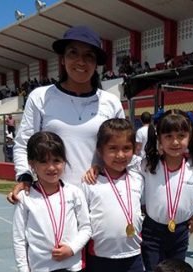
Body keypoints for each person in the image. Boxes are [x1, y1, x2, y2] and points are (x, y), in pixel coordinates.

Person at [9, 25, 125, 199]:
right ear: (62, 59)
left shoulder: (111, 102)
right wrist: (24, 176)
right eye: (73, 53)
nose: (81, 61)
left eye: (88, 56)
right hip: (54, 199)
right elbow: (24, 142)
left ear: (96, 64)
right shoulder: (40, 96)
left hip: (100, 197)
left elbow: (122, 149)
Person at [13, 131, 91, 272]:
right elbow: (19, 239)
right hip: (41, 270)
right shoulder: (26, 198)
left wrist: (71, 248)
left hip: (71, 267)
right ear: (32, 164)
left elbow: (86, 228)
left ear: (64, 161)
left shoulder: (74, 192)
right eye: (43, 162)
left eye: (57, 160)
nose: (51, 167)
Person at [81, 119, 145, 272]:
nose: (120, 155)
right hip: (99, 257)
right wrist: (95, 168)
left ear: (134, 149)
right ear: (100, 150)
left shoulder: (138, 178)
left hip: (132, 255)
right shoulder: (90, 182)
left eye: (126, 148)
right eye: (113, 149)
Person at [141, 109, 193, 272]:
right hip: (153, 231)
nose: (175, 142)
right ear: (159, 138)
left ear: (190, 136)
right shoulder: (148, 166)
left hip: (181, 231)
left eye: (181, 136)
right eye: (168, 136)